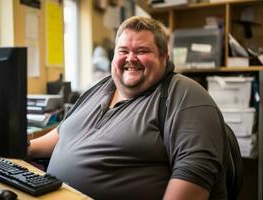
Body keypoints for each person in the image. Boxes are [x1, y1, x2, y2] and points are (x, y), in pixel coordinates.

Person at [28, 16, 228, 200]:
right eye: (123, 51)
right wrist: (18, 147)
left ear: (164, 57)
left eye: (142, 51)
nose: (131, 58)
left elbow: (194, 173)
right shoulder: (101, 87)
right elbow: (64, 133)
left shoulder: (184, 95)